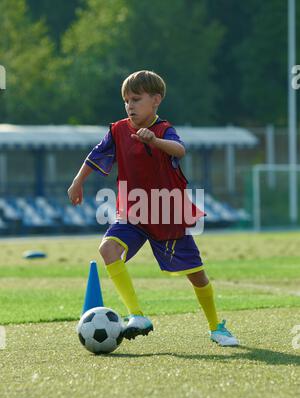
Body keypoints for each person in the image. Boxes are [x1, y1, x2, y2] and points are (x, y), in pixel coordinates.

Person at [68, 70, 238, 346]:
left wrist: (154, 141)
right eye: (126, 101)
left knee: (197, 275)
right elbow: (95, 155)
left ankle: (216, 326)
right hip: (132, 212)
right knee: (108, 249)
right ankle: (137, 315)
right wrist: (77, 182)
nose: (129, 106)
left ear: (156, 100)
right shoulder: (118, 129)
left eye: (136, 99)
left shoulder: (163, 130)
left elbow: (179, 150)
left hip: (166, 213)